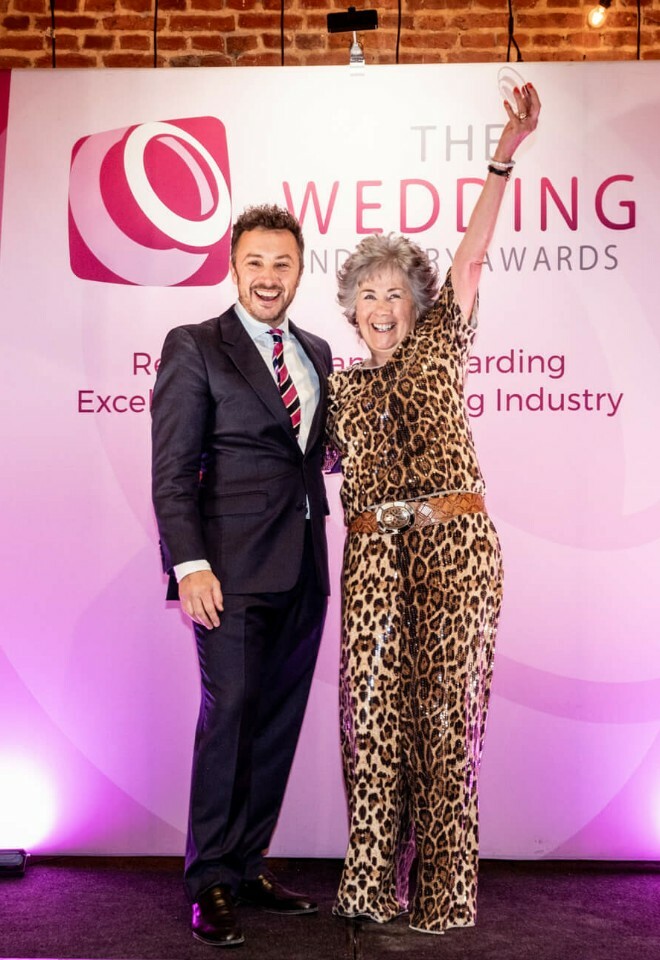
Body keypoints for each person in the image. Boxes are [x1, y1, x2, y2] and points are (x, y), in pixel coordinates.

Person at [326, 84, 541, 934]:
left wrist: (504, 156)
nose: (382, 308)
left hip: (456, 549)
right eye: (368, 295)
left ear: (417, 304)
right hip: (373, 560)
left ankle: (444, 895)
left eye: (395, 294)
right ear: (350, 308)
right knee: (373, 726)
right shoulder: (337, 388)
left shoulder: (442, 342)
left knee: (446, 727)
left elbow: (473, 258)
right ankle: (371, 886)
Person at [151, 204, 332, 948]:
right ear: (233, 267)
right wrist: (190, 565)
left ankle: (249, 864)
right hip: (227, 574)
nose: (268, 276)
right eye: (255, 261)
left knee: (275, 725)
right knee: (228, 720)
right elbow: (172, 470)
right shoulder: (195, 345)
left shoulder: (317, 350)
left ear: (300, 271)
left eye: (282, 263)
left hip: (305, 569)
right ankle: (210, 881)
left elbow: (312, 455)